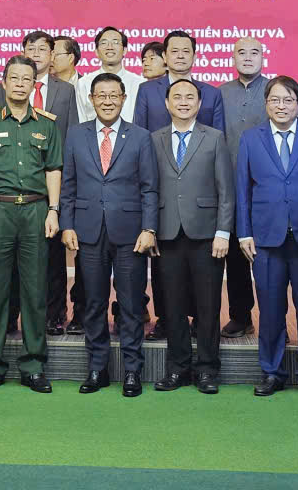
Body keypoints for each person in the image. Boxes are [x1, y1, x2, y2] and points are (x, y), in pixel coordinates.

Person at [0, 55, 63, 395]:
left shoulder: (46, 124)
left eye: (26, 79)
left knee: (35, 291)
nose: (20, 84)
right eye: (14, 78)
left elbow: (53, 170)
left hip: (35, 211)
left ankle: (33, 366)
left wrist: (53, 210)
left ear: (34, 84)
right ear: (3, 83)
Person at [237, 75, 298, 399]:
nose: (281, 106)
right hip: (266, 238)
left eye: (288, 100)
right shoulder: (250, 139)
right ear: (266, 103)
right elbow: (243, 190)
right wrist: (244, 232)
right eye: (275, 100)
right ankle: (272, 372)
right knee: (270, 309)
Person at [61, 73, 158, 397]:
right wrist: (67, 224)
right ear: (91, 99)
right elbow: (68, 184)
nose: (107, 101)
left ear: (123, 99)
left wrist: (149, 229)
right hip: (88, 231)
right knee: (93, 303)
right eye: (101, 95)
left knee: (131, 305)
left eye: (113, 95)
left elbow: (149, 188)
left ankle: (132, 371)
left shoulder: (141, 137)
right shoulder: (75, 135)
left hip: (131, 234)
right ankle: (97, 368)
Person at [132, 30, 225, 340]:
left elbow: (219, 140)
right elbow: (140, 138)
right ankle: (166, 319)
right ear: (165, 56)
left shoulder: (211, 93)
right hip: (161, 190)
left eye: (187, 50)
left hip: (200, 193)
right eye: (175, 50)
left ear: (195, 56)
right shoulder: (148, 90)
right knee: (164, 270)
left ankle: (199, 320)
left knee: (201, 273)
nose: (181, 55)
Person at [150, 79, 234, 395]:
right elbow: (148, 188)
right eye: (177, 97)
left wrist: (223, 232)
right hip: (167, 233)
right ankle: (178, 369)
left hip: (207, 235)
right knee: (171, 306)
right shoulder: (154, 139)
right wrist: (150, 229)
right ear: (167, 103)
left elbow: (226, 190)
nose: (183, 102)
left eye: (190, 97)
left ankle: (208, 370)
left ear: (199, 104)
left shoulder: (214, 137)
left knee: (208, 306)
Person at [0, 31, 78, 335]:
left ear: (52, 55)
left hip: (52, 183)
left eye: (44, 48)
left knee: (52, 256)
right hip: (14, 186)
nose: (38, 53)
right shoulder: (4, 88)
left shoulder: (66, 90)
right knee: (12, 258)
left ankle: (54, 314)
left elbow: (71, 135)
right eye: (32, 48)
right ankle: (11, 314)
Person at [217, 37, 266, 337]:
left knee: (268, 259)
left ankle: (274, 320)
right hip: (231, 186)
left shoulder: (275, 90)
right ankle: (240, 315)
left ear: (263, 57)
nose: (248, 57)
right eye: (241, 52)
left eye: (254, 52)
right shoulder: (219, 93)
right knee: (235, 256)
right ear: (232, 58)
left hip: (267, 188)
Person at [75, 26, 144, 124]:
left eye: (115, 42)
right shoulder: (84, 83)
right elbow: (81, 120)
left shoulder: (139, 83)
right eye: (104, 43)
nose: (110, 47)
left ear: (125, 50)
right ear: (96, 52)